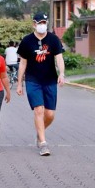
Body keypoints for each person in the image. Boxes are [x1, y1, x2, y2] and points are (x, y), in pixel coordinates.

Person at [16, 13, 65, 156]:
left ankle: (39, 132)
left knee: (49, 114)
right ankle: (43, 143)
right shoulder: (27, 41)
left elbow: (59, 59)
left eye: (44, 22)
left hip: (50, 80)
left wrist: (61, 73)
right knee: (39, 109)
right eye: (39, 22)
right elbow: (22, 63)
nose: (42, 25)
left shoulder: (53, 39)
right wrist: (19, 84)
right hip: (33, 80)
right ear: (34, 24)